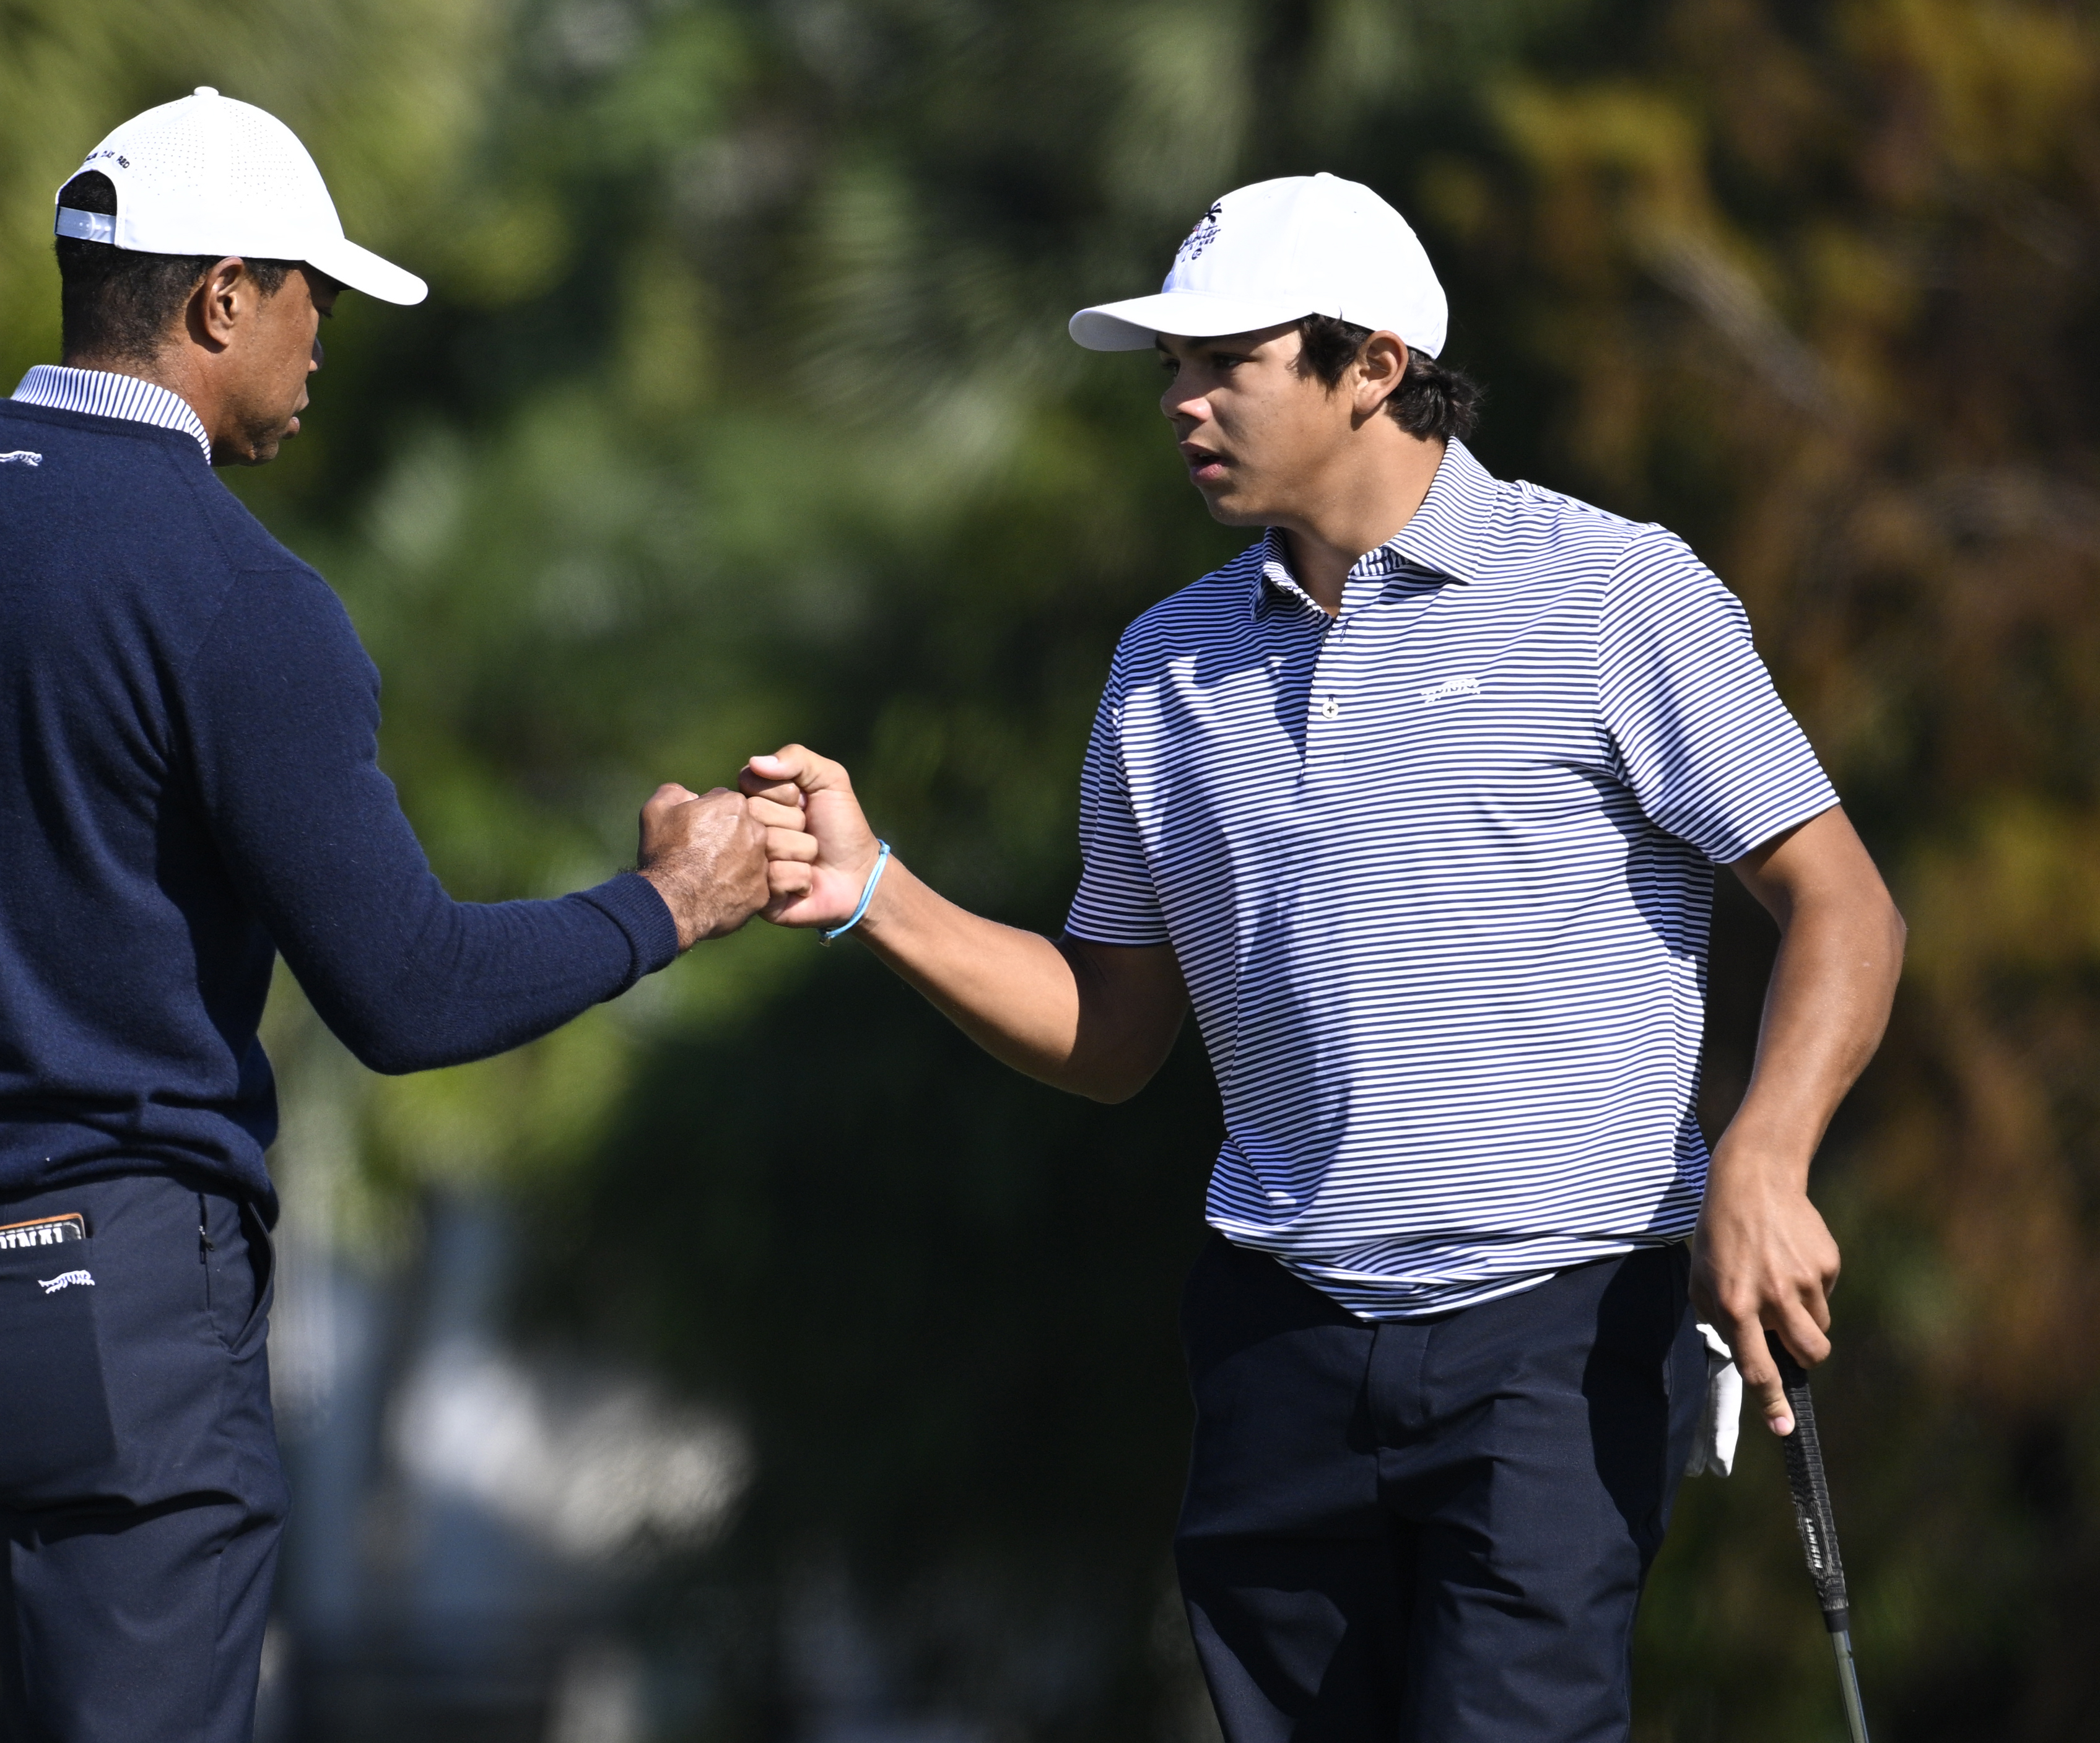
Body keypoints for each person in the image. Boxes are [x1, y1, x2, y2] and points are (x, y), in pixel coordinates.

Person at [0, 89, 768, 1742]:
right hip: (105, 1307)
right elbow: (413, 993)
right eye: (312, 295)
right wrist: (670, 902)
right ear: (221, 299)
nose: (324, 341)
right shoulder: (238, 593)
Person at [742, 173, 1905, 1740]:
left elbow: (1844, 904)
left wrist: (1766, 1154)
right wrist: (875, 888)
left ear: (1373, 366)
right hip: (1279, 1336)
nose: (1181, 399)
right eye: (1170, 367)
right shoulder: (1166, 665)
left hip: (1552, 1338)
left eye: (1225, 359)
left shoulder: (1618, 595)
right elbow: (1114, 1030)